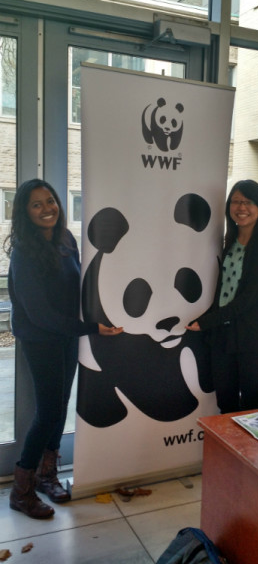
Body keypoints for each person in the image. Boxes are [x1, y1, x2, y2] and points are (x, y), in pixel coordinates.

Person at [4, 178, 123, 520]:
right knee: (48, 413)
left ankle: (46, 475)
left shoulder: (66, 240)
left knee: (58, 408)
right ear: (25, 212)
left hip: (67, 336)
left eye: (51, 201)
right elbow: (40, 314)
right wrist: (90, 328)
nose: (47, 209)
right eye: (37, 204)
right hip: (41, 341)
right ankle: (21, 490)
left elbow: (82, 286)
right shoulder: (24, 253)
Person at [186, 179, 258, 414]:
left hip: (253, 335)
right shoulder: (229, 240)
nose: (241, 207)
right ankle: (227, 450)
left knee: (252, 404)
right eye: (236, 201)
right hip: (224, 335)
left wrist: (207, 321)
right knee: (225, 402)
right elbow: (221, 291)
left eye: (248, 202)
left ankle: (248, 452)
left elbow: (249, 298)